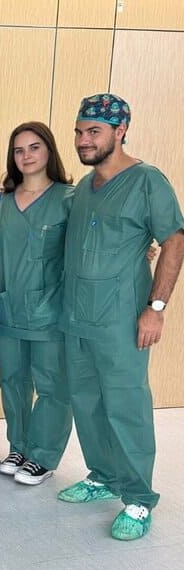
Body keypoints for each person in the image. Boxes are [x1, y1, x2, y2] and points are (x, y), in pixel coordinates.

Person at [57, 93, 184, 541]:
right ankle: (104, 475)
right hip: (77, 316)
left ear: (120, 130)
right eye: (79, 131)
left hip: (121, 319)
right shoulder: (83, 189)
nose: (83, 140)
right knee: (87, 402)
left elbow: (174, 241)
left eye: (94, 131)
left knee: (126, 406)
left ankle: (138, 497)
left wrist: (156, 308)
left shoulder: (147, 181)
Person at [0, 122, 73, 485]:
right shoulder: (3, 202)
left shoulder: (69, 199)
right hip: (8, 306)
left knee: (52, 385)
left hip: (50, 309)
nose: (26, 156)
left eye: (34, 147)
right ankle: (19, 447)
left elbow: (94, 240)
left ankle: (43, 455)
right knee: (12, 380)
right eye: (19, 150)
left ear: (49, 151)